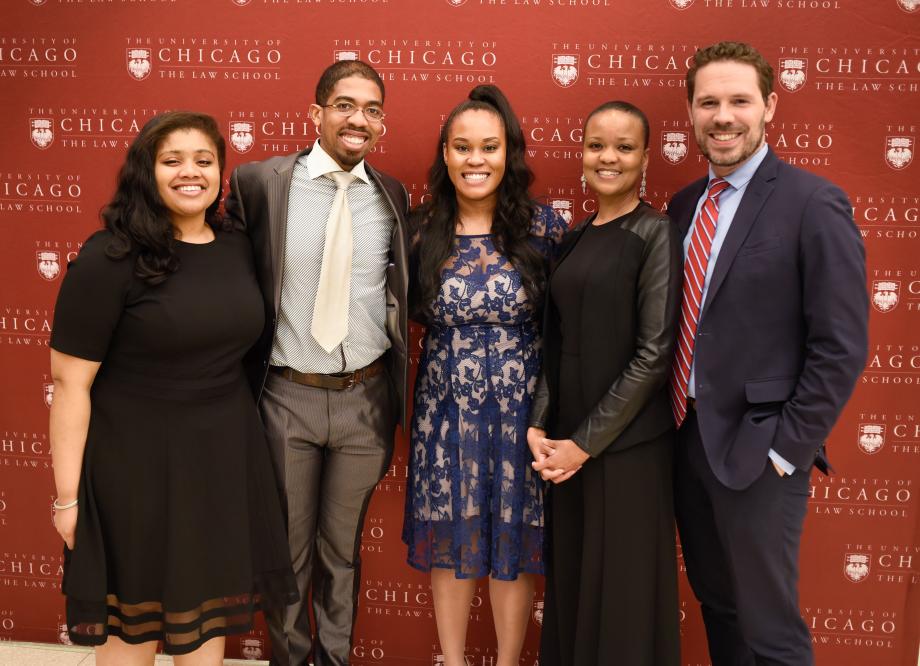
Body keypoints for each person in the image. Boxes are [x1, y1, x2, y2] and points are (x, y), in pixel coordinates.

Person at [49, 111, 296, 665]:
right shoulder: (108, 257)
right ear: (147, 172)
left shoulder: (237, 245)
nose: (191, 173)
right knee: (132, 637)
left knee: (203, 626)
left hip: (221, 463)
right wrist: (68, 499)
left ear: (220, 172)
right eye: (172, 161)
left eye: (204, 161)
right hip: (131, 472)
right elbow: (69, 385)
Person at [669, 42, 868, 666]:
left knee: (770, 631)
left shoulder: (812, 202)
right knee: (719, 612)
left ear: (769, 107)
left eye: (739, 101)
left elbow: (841, 345)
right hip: (684, 439)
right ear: (691, 113)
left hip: (761, 450)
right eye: (709, 102)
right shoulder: (683, 207)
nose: (723, 116)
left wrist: (787, 451)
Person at [224, 60, 409, 666]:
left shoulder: (392, 195)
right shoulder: (261, 182)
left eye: (373, 109)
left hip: (365, 399)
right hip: (286, 398)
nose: (360, 119)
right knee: (289, 553)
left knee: (342, 555)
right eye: (346, 105)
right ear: (317, 113)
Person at [402, 85, 566, 666]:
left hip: (524, 412)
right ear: (445, 154)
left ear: (508, 154)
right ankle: (450, 659)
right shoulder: (419, 230)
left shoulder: (545, 229)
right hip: (445, 409)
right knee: (451, 535)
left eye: (489, 147)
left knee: (512, 543)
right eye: (463, 147)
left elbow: (566, 329)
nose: (476, 160)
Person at [527, 101, 682, 666]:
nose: (607, 157)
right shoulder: (573, 238)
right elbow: (554, 341)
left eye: (623, 146)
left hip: (627, 450)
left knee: (621, 599)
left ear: (644, 158)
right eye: (596, 145)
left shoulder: (656, 234)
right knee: (572, 588)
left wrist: (585, 443)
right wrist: (541, 422)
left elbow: (654, 353)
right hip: (566, 449)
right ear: (582, 152)